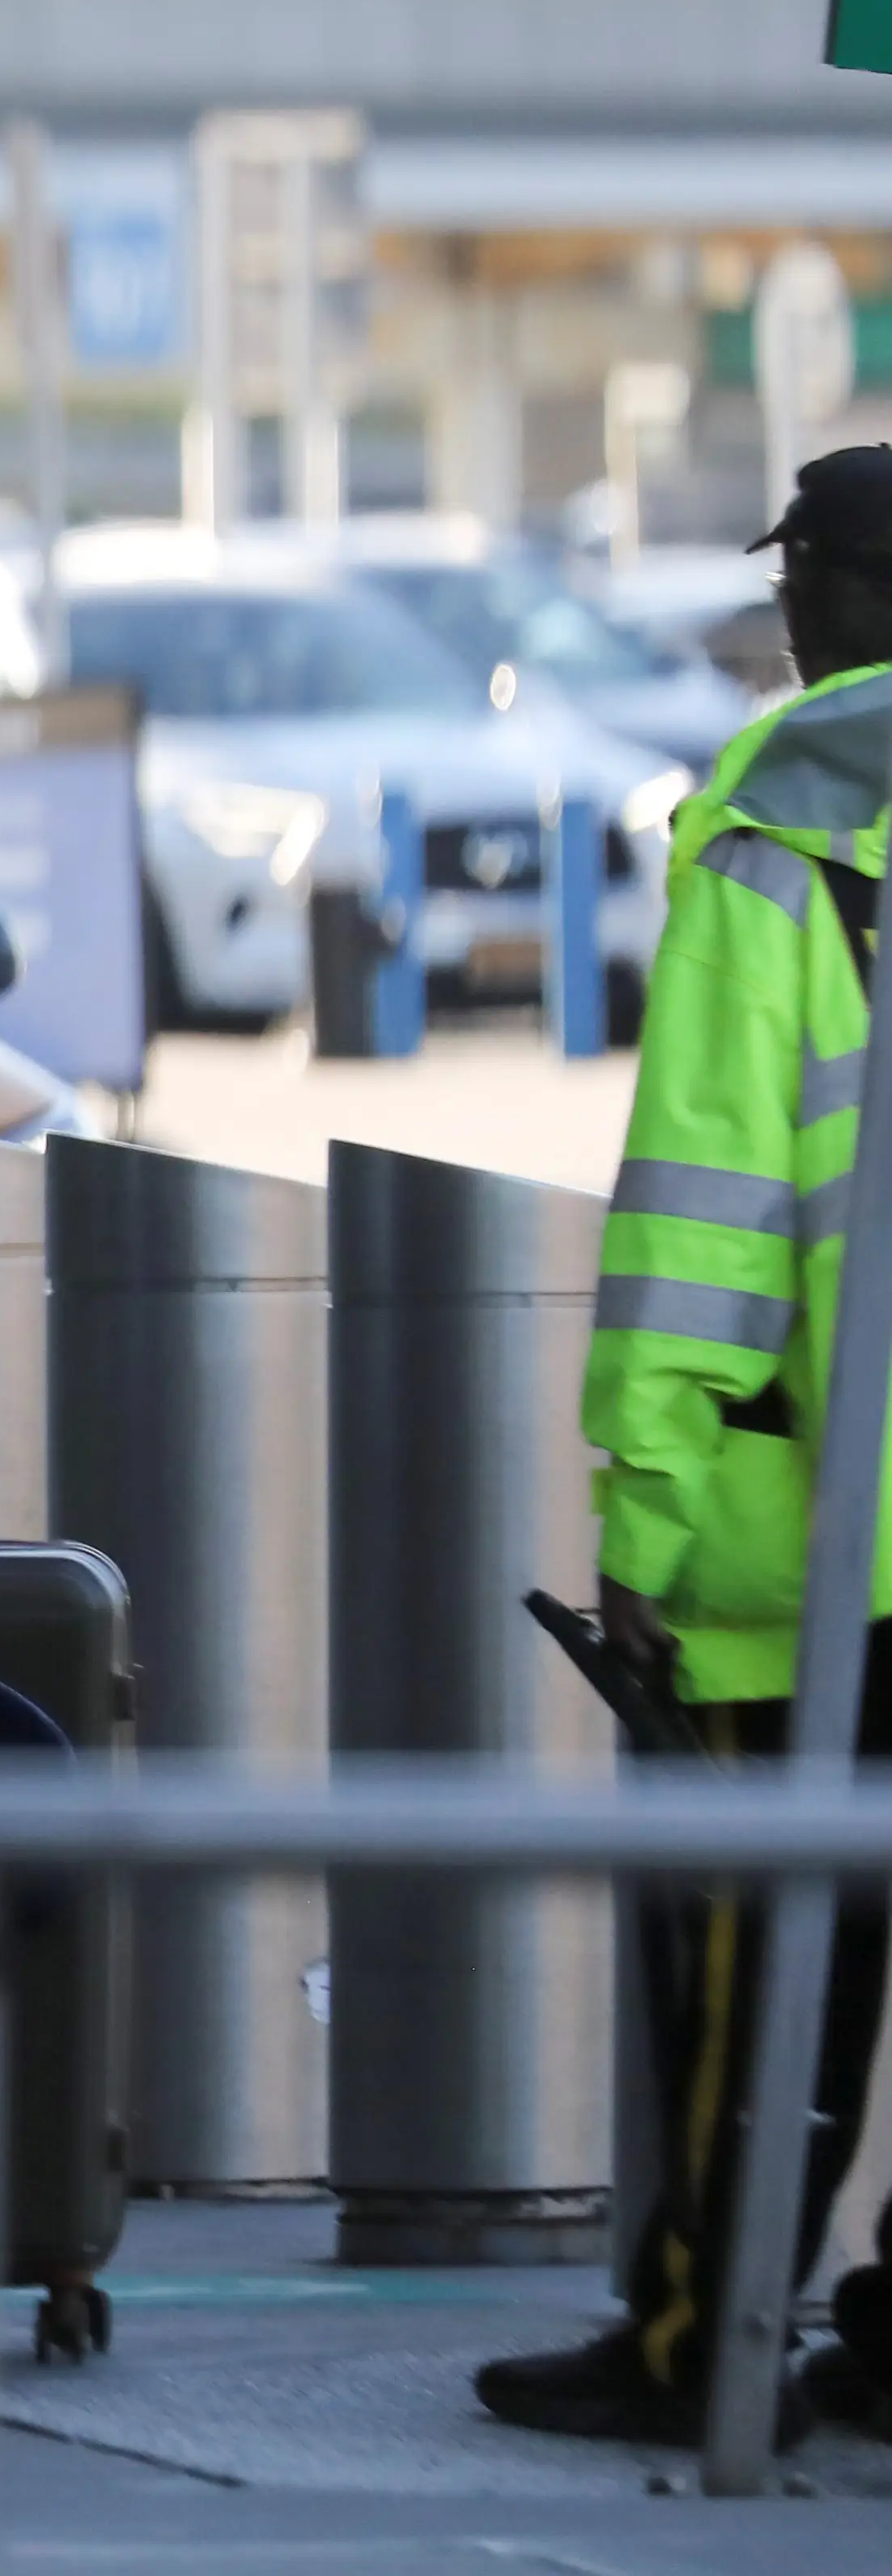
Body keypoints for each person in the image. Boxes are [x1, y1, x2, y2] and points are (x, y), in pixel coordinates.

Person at [484, 443, 892, 2449]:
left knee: (760, 1966)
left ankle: (693, 2344)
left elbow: (716, 1207)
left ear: (823, 594)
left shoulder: (785, 816)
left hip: (810, 1517)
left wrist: (646, 1489)